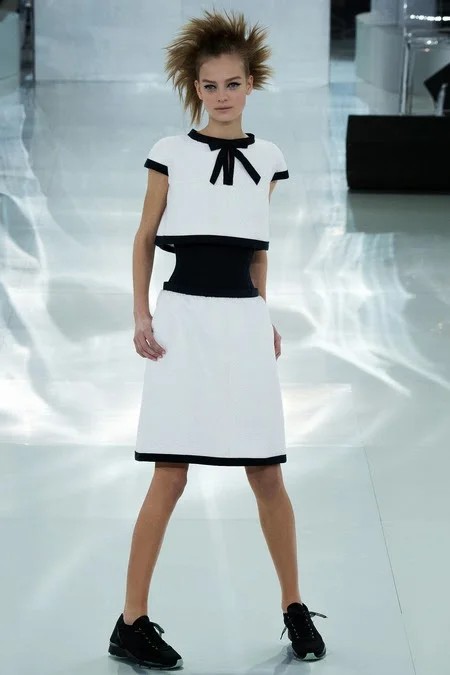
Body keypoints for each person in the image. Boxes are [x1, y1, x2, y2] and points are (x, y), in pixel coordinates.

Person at [108, 9, 327, 669]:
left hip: (241, 322)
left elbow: (258, 248)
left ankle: (294, 606)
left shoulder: (269, 158)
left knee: (267, 471)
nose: (222, 95)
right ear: (195, 87)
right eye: (210, 85)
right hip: (182, 322)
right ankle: (130, 621)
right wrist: (141, 314)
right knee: (169, 473)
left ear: (251, 83)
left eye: (233, 83)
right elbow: (145, 236)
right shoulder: (170, 151)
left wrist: (264, 314)